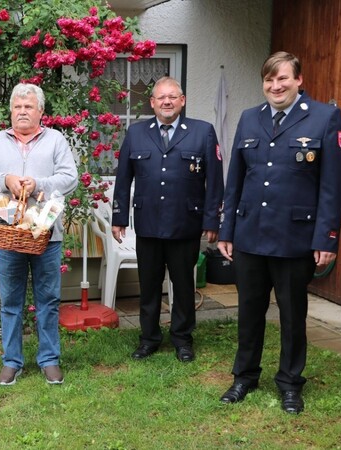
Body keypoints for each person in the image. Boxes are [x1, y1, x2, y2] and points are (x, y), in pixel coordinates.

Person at [217, 52, 341, 414]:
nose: (275, 86)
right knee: (249, 311)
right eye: (269, 80)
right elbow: (236, 181)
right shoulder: (249, 118)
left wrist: (327, 237)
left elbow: (333, 187)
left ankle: (290, 383)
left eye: (283, 79)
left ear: (298, 80)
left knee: (293, 315)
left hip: (295, 238)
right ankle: (244, 376)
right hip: (250, 236)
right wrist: (226, 229)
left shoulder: (325, 118)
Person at [111, 76, 224, 363]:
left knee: (184, 285)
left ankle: (182, 339)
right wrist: (119, 217)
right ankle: (148, 338)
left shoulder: (203, 132)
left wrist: (212, 221)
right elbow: (123, 179)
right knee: (148, 286)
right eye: (161, 97)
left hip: (185, 224)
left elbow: (216, 182)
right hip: (148, 225)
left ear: (182, 101)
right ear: (152, 103)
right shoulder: (136, 134)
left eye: (173, 96)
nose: (167, 102)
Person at [0, 83, 78, 386]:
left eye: (29, 107)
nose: (22, 112)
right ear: (11, 111)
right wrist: (6, 180)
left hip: (46, 234)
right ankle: (12, 361)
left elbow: (70, 177)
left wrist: (39, 185)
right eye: (18, 107)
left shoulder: (56, 140)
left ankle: (49, 360)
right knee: (10, 301)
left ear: (41, 112)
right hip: (8, 233)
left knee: (48, 299)